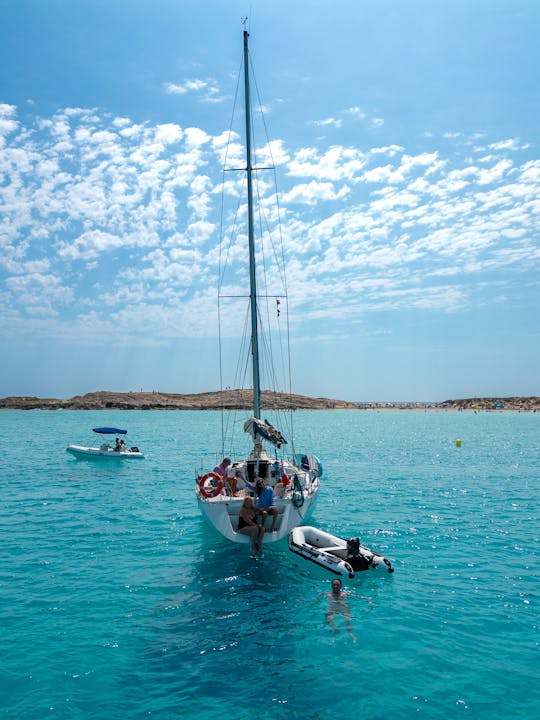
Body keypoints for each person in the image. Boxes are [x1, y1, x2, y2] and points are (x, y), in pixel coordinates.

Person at [325, 578, 356, 642]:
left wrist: (368, 600)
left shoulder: (344, 594)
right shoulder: (327, 594)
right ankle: (336, 629)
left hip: (343, 608)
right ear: (331, 585)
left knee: (347, 620)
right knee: (328, 619)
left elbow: (357, 596)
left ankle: (350, 633)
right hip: (333, 609)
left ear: (341, 586)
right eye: (334, 585)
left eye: (337, 585)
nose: (335, 586)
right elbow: (317, 599)